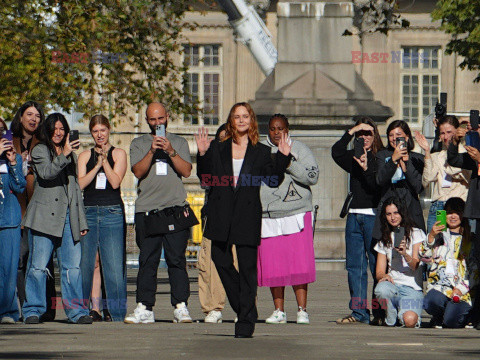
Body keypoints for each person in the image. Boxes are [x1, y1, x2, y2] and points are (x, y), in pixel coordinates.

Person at [195, 102, 291, 338]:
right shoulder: (219, 147)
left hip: (247, 214)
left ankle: (245, 322)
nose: (241, 120)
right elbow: (205, 178)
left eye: (245, 116)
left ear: (251, 120)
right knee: (220, 258)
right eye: (236, 116)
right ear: (231, 120)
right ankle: (245, 306)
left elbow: (273, 180)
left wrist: (282, 158)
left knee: (248, 269)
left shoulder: (259, 151)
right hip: (221, 213)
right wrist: (203, 153)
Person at [125, 102, 194, 324]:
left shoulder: (180, 142)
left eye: (160, 119)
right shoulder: (139, 143)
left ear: (167, 117)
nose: (157, 124)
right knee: (147, 261)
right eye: (153, 120)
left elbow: (186, 171)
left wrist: (170, 150)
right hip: (148, 210)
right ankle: (145, 307)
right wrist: (153, 150)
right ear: (147, 121)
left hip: (174, 208)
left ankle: (180, 307)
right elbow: (138, 171)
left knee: (176, 260)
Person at [21, 113, 92, 324]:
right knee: (38, 267)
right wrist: (65, 154)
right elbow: (46, 173)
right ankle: (33, 310)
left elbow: (74, 188)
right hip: (43, 217)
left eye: (62, 129)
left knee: (73, 268)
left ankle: (77, 312)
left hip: (68, 217)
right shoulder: (40, 150)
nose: (59, 133)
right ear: (48, 130)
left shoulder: (71, 155)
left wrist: (81, 221)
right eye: (55, 128)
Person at [258, 114, 319, 325]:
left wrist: (289, 161)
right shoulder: (260, 150)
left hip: (297, 212)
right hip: (269, 216)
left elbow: (312, 176)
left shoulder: (300, 149)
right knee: (275, 266)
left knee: (299, 266)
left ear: (288, 129)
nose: (276, 132)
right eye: (273, 128)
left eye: (280, 128)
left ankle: (302, 310)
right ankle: (279, 311)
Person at [332, 116, 384, 325]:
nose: (364, 137)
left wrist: (366, 167)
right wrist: (351, 131)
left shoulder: (380, 157)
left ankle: (379, 312)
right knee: (355, 266)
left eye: (368, 133)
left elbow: (376, 186)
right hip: (354, 215)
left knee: (377, 266)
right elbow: (335, 151)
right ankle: (359, 312)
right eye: (361, 134)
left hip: (373, 215)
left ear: (375, 135)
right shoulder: (353, 156)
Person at [78, 115, 127, 322]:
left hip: (111, 211)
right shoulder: (83, 156)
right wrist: (96, 165)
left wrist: (105, 161)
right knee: (91, 262)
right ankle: (93, 309)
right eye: (95, 131)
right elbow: (80, 184)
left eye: (103, 130)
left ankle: (115, 312)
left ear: (109, 130)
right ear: (91, 133)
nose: (100, 134)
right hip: (88, 210)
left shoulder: (119, 153)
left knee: (113, 264)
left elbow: (115, 182)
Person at [11, 101, 56, 322]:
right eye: (29, 114)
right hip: (18, 207)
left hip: (41, 208)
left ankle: (46, 307)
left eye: (37, 115)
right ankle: (23, 306)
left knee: (43, 261)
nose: (33, 119)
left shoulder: (45, 142)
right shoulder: (10, 141)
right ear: (20, 117)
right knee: (20, 260)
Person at [198, 123, 238, 323]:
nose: (225, 142)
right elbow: (204, 179)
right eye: (221, 138)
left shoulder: (244, 157)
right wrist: (203, 154)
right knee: (210, 265)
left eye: (229, 138)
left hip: (240, 217)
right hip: (214, 217)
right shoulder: (212, 156)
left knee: (240, 264)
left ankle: (244, 308)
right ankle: (213, 308)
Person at [421, 197, 479, 328]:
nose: (453, 216)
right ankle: (439, 315)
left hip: (462, 292)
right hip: (441, 288)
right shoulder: (439, 236)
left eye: (457, 213)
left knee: (450, 322)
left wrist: (461, 289)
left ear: (463, 215)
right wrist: (431, 236)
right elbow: (423, 256)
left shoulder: (471, 240)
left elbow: (475, 272)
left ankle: (462, 316)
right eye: (449, 213)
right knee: (430, 301)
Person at [374, 197, 425, 328]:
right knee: (381, 289)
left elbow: (415, 265)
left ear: (402, 213)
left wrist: (404, 254)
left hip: (411, 289)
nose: (393, 217)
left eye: (396, 213)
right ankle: (390, 315)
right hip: (393, 286)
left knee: (410, 321)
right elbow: (379, 271)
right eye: (389, 214)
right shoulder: (385, 239)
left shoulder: (416, 233)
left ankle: (402, 315)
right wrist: (384, 276)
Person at [415, 116, 470, 233]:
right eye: (442, 133)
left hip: (458, 207)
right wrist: (427, 152)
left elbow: (454, 171)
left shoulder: (466, 154)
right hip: (439, 207)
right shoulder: (437, 156)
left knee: (459, 245)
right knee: (435, 246)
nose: (446, 137)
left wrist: (455, 146)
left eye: (449, 132)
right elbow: (426, 180)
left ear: (457, 131)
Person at [374, 120, 425, 239]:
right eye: (391, 135)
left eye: (398, 135)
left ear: (406, 138)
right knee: (390, 250)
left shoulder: (417, 158)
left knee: (409, 250)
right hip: (390, 211)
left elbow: (418, 187)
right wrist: (393, 160)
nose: (394, 138)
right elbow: (380, 180)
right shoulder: (382, 156)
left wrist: (407, 165)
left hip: (410, 211)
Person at [0, 119, 26, 324]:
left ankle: (8, 311)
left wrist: (13, 162)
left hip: (9, 218)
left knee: (9, 268)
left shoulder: (12, 157)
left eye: (2, 130)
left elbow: (20, 187)